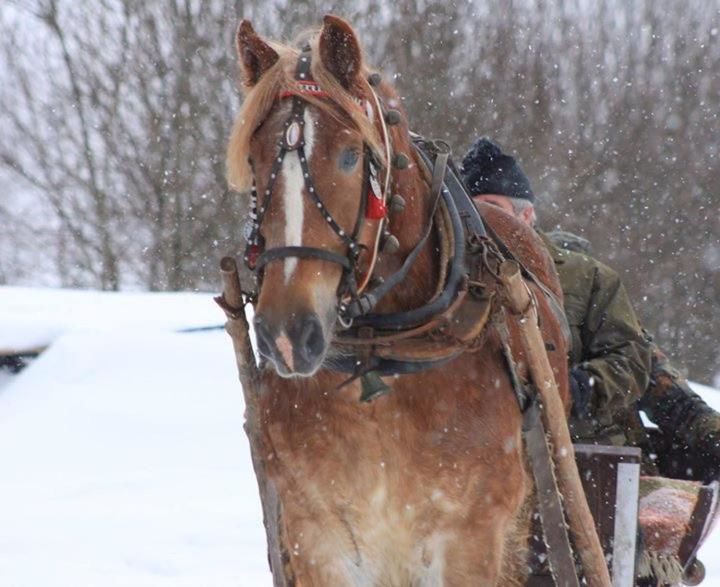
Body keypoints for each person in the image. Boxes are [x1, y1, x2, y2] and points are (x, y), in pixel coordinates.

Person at [460, 137, 720, 481]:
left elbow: (638, 362)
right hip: (477, 466)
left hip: (585, 461)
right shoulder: (449, 283)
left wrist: (579, 389)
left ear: (526, 214)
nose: (482, 221)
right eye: (471, 209)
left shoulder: (587, 279)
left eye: (493, 206)